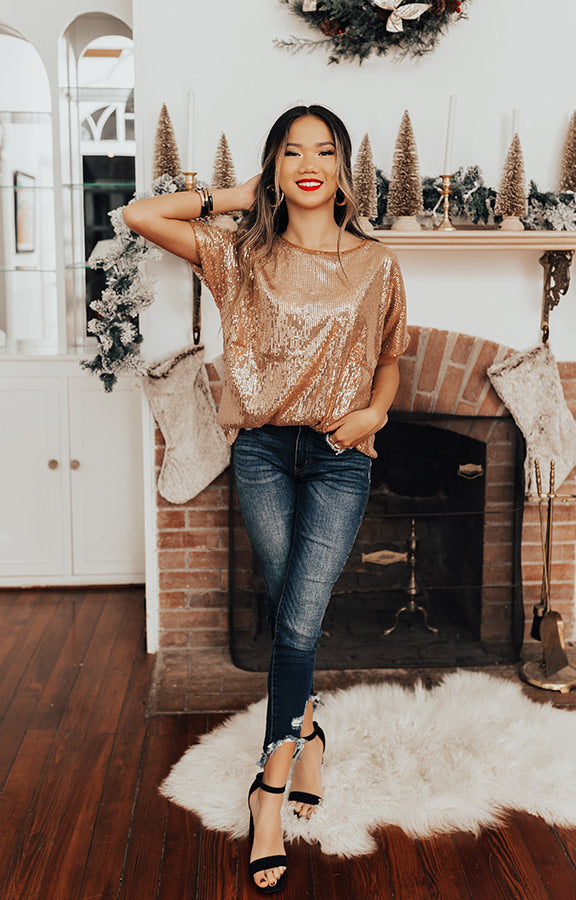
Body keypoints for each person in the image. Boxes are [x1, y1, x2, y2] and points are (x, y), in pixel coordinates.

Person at [123, 103, 409, 894]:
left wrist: (377, 414)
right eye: (292, 152)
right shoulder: (238, 254)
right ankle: (308, 735)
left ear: (343, 169)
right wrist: (231, 197)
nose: (309, 164)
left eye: (323, 151)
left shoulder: (377, 263)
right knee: (292, 615)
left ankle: (269, 790)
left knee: (297, 620)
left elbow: (390, 358)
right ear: (273, 168)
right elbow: (139, 214)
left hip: (340, 457)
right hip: (261, 453)